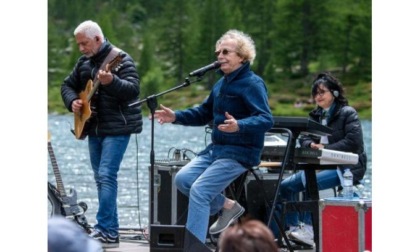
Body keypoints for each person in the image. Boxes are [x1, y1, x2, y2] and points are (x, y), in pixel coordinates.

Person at [153, 29, 274, 245]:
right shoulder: (220, 84)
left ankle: (194, 248)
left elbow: (266, 119)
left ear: (242, 56)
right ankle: (227, 206)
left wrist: (240, 126)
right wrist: (175, 116)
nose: (219, 56)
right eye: (218, 52)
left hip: (240, 152)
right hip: (217, 150)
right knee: (182, 179)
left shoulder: (252, 83)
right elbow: (203, 113)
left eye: (226, 52)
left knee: (200, 190)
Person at [61, 20, 143, 248]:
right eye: (78, 44)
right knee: (101, 179)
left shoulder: (122, 59)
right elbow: (66, 86)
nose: (81, 49)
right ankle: (111, 233)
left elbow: (133, 90)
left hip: (118, 128)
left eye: (84, 44)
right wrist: (73, 102)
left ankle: (104, 229)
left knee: (107, 175)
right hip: (93, 127)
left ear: (98, 38)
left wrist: (112, 81)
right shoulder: (83, 63)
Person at [275, 72, 367, 247]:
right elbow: (304, 138)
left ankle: (309, 231)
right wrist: (310, 145)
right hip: (318, 166)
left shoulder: (348, 113)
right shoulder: (315, 115)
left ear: (335, 93)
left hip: (345, 168)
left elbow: (354, 143)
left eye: (322, 92)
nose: (318, 97)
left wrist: (325, 149)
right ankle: (294, 230)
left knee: (312, 184)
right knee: (285, 187)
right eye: (315, 94)